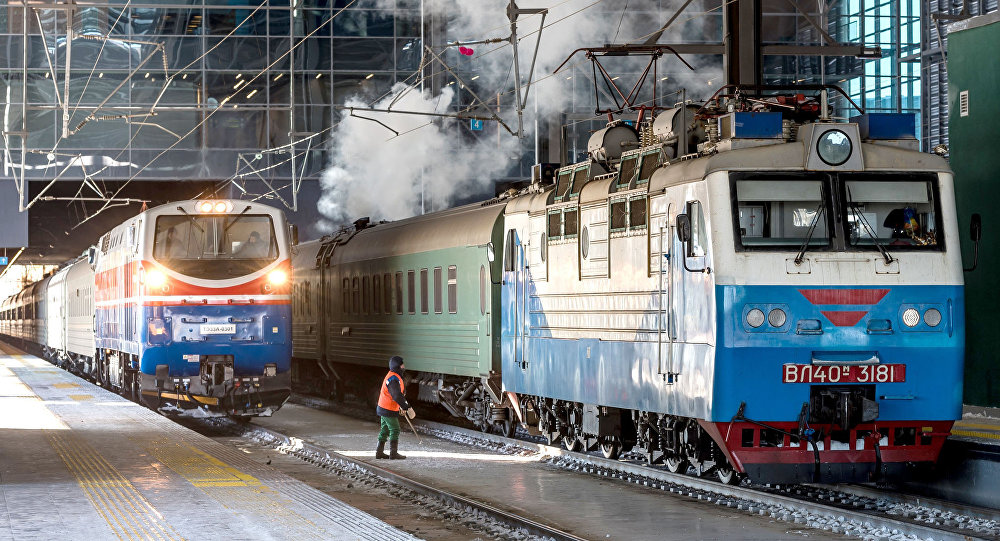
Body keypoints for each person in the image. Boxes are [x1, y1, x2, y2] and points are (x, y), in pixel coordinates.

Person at [375, 355, 416, 460]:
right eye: (402, 364)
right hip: (387, 408)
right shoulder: (393, 378)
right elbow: (396, 395)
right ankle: (393, 453)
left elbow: (399, 394)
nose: (404, 366)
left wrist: (402, 406)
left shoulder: (394, 376)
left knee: (385, 430)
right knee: (395, 429)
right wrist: (406, 406)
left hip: (384, 407)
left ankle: (379, 452)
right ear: (398, 366)